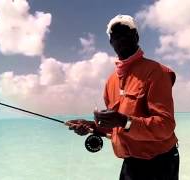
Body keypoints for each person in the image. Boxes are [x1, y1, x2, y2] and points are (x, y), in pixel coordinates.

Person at [66, 14, 179, 180]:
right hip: (130, 163)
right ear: (111, 42)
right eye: (116, 35)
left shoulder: (157, 72)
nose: (121, 38)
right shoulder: (111, 81)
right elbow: (116, 127)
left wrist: (122, 121)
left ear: (136, 36)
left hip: (160, 162)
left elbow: (165, 126)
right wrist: (93, 126)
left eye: (126, 32)